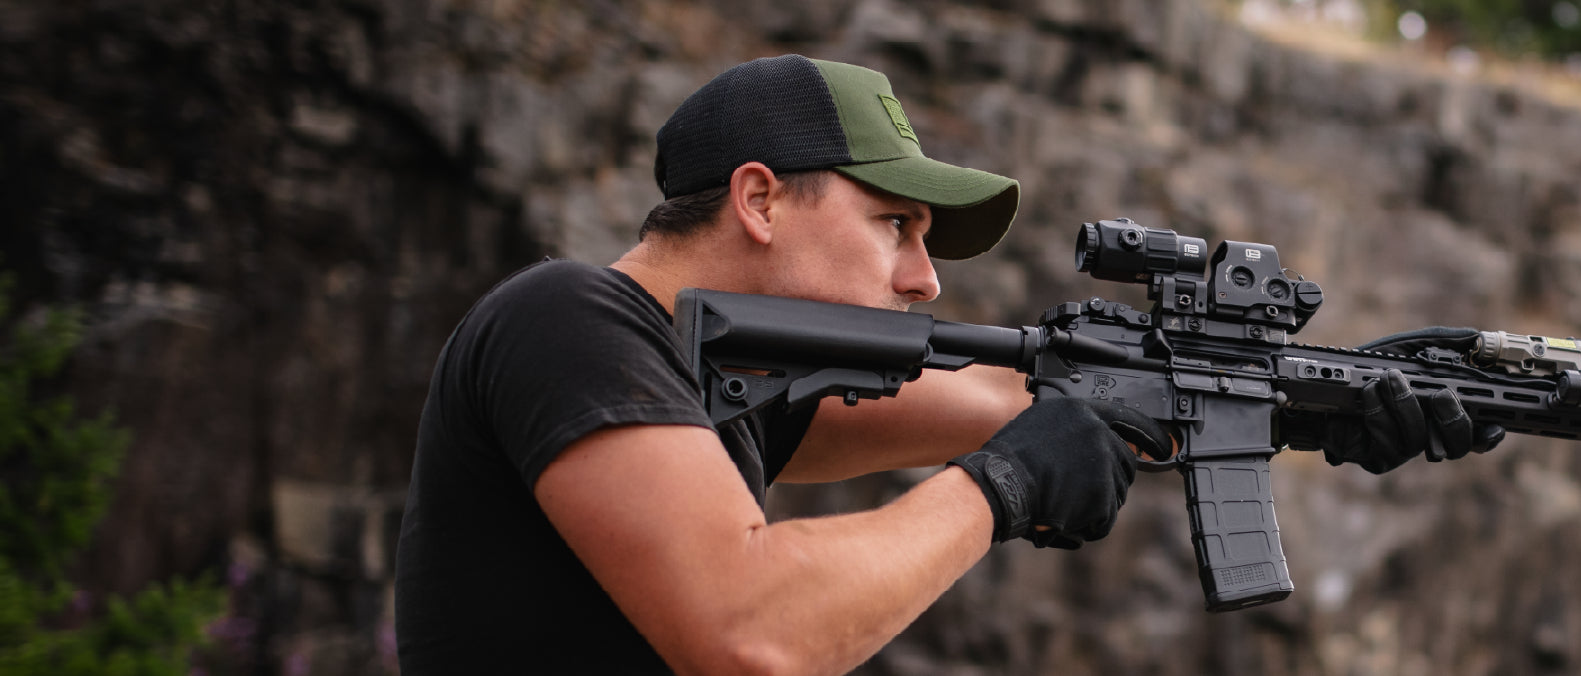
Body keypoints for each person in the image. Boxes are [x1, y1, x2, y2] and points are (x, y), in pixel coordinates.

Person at [392, 55, 1497, 675]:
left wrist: (1312, 398)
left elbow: (1024, 396)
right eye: (895, 226)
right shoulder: (570, 318)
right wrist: (1003, 487)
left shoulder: (711, 391)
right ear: (760, 199)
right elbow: (751, 631)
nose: (924, 279)